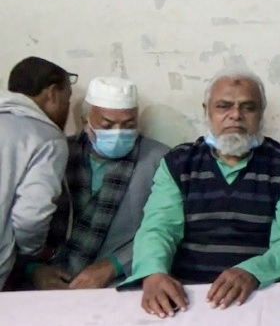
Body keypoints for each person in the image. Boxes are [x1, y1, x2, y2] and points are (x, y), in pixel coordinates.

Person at [119, 68, 280, 319]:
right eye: (223, 106)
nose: (236, 115)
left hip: (261, 292)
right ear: (207, 111)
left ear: (261, 113)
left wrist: (253, 271)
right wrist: (153, 273)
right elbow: (159, 228)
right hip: (188, 295)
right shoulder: (179, 162)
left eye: (248, 107)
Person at [28, 77, 169, 290]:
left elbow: (165, 227)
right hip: (53, 279)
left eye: (129, 125)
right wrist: (34, 269)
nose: (119, 132)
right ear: (86, 122)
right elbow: (26, 220)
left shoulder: (159, 159)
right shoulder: (58, 154)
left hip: (120, 282)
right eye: (107, 125)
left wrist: (114, 265)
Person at [0, 56, 75, 290]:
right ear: (52, 93)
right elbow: (31, 215)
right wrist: (33, 252)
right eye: (67, 100)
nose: (67, 109)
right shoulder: (46, 138)